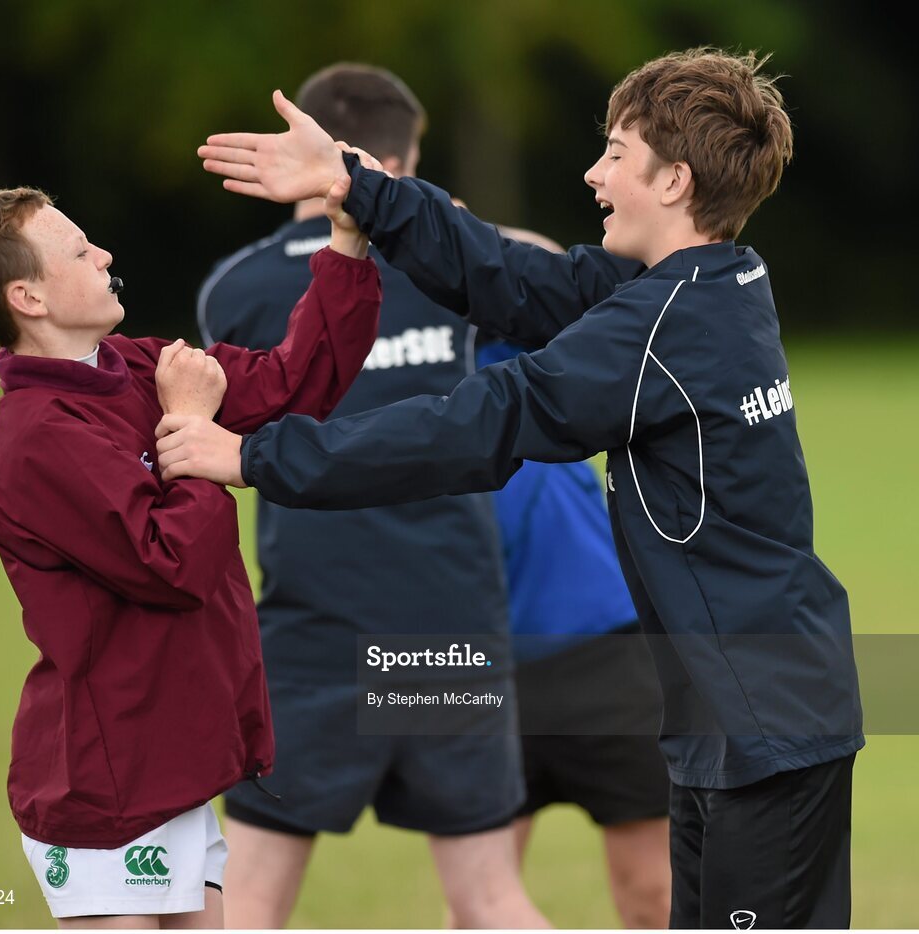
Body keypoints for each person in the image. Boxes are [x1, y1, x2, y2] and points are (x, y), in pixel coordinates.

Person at [161, 47, 865, 928]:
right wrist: (359, 187)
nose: (592, 172)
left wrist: (255, 456)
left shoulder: (663, 329)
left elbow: (477, 422)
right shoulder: (707, 283)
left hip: (766, 719)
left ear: (675, 180)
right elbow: (513, 278)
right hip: (735, 712)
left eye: (615, 153)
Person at [0, 179, 380, 928]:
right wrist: (194, 433)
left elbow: (296, 384)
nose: (103, 253)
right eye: (77, 249)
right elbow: (173, 566)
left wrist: (347, 245)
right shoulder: (35, 440)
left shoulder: (133, 365)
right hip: (104, 789)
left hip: (178, 764)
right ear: (29, 298)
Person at [196, 63, 548, 930]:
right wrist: (454, 225)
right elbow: (544, 273)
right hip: (448, 622)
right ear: (403, 158)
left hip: (312, 630)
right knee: (490, 896)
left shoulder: (234, 290)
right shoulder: (449, 263)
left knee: (250, 900)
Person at [476, 298, 672, 927]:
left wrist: (423, 231)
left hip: (606, 653)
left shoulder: (510, 341)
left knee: (655, 890)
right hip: (472, 666)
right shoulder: (377, 371)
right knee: (478, 903)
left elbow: (549, 265)